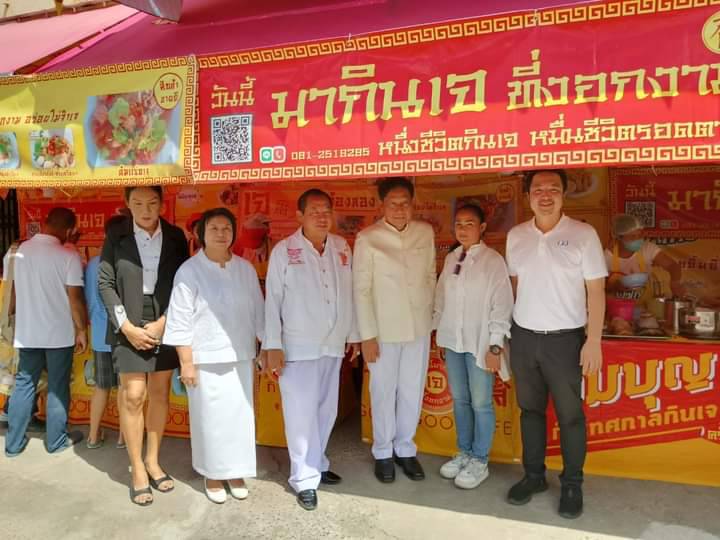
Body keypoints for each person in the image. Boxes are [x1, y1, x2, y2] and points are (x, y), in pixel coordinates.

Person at [505, 170, 607, 519]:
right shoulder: (517, 236)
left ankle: (572, 484)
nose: (545, 195)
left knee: (570, 416)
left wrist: (593, 340)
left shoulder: (583, 234)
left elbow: (596, 291)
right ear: (528, 196)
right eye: (538, 189)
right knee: (530, 412)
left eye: (553, 189)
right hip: (524, 337)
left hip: (565, 341)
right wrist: (505, 335)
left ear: (564, 195)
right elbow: (514, 288)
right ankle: (533, 476)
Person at [263, 189, 360, 511]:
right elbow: (273, 300)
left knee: (325, 409)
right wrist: (273, 345)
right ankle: (303, 478)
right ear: (300, 216)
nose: (322, 216)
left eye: (326, 210)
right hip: (297, 346)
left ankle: (317, 463)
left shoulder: (341, 247)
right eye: (314, 211)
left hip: (332, 343)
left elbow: (349, 293)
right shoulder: (284, 251)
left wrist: (353, 334)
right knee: (300, 413)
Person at [165, 208, 265, 504]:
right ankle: (212, 473)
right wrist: (186, 363)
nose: (221, 234)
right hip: (204, 359)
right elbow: (180, 320)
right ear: (202, 234)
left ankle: (235, 471)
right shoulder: (189, 271)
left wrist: (266, 346)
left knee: (240, 418)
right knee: (210, 419)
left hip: (240, 356)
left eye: (226, 228)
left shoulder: (245, 269)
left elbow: (259, 312)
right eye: (214, 228)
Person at [98, 186, 189, 506]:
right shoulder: (117, 235)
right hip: (127, 318)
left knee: (160, 393)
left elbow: (184, 283)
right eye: (137, 203)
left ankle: (153, 460)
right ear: (127, 204)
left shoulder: (176, 236)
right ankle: (137, 467)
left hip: (165, 317)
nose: (145, 210)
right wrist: (126, 327)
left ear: (162, 204)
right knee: (134, 394)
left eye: (152, 203)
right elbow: (105, 283)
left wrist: (165, 322)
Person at [353, 177, 436, 483]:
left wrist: (431, 319)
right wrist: (367, 335)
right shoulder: (368, 238)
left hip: (418, 327)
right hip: (383, 331)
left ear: (413, 204)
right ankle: (383, 451)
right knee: (383, 391)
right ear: (382, 205)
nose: (400, 209)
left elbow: (430, 275)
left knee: (412, 389)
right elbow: (361, 289)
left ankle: (405, 448)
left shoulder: (424, 232)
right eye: (393, 203)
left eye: (405, 203)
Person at [433, 204, 513, 489]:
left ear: (482, 228)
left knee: (481, 403)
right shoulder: (452, 258)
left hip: (480, 343)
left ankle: (480, 459)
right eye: (459, 223)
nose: (463, 229)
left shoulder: (493, 261)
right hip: (453, 342)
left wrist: (495, 345)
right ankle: (464, 452)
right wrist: (439, 333)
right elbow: (441, 298)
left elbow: (502, 304)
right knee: (460, 400)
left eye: (470, 223)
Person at [4, 207, 88, 457]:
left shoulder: (17, 252)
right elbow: (75, 300)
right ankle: (56, 441)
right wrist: (81, 330)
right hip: (58, 335)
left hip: (27, 332)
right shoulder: (68, 256)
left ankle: (13, 445)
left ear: (44, 223)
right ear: (70, 230)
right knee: (57, 387)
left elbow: (12, 294)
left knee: (24, 384)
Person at [85, 215, 128, 449]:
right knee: (124, 386)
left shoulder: (93, 264)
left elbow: (90, 301)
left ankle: (92, 436)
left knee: (101, 387)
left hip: (100, 334)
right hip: (123, 335)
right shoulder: (125, 261)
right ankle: (123, 437)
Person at [605, 213, 684, 299]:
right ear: (619, 237)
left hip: (645, 304)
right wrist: (614, 286)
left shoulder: (648, 248)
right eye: (632, 236)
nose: (637, 239)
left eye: (639, 235)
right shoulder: (606, 256)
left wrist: (675, 282)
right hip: (618, 304)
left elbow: (672, 266)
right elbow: (599, 286)